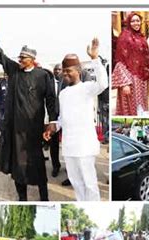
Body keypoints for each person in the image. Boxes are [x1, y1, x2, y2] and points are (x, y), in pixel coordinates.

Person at [0, 13, 57, 201]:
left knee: (38, 168)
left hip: (34, 132)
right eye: (19, 56)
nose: (20, 59)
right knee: (18, 168)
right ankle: (22, 198)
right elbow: (0, 55)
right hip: (16, 131)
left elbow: (51, 100)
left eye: (23, 57)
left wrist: (52, 122)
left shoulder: (43, 76)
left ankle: (44, 197)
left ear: (32, 59)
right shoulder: (14, 71)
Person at [43, 39, 107, 201]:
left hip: (85, 146)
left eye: (69, 71)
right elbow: (63, 119)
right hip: (69, 146)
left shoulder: (87, 88)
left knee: (89, 184)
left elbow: (103, 83)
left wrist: (95, 58)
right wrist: (53, 128)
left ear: (78, 70)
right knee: (76, 183)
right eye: (63, 71)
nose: (65, 74)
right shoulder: (63, 94)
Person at [112, 12, 149, 115]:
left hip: (142, 78)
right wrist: (124, 83)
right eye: (133, 21)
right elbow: (120, 61)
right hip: (130, 79)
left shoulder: (141, 37)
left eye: (137, 20)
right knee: (131, 107)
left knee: (142, 106)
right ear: (128, 22)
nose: (136, 23)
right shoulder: (124, 37)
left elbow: (147, 55)